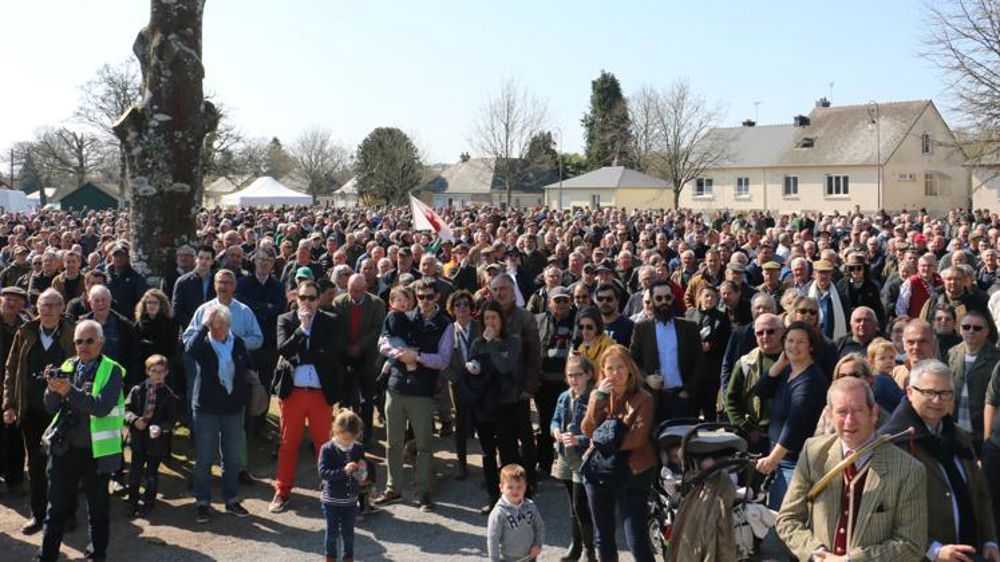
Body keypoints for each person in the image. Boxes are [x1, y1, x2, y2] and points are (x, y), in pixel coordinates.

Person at [775, 377, 927, 561]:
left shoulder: (908, 469)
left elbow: (911, 544)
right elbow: (788, 518)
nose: (849, 421)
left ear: (874, 412)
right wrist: (816, 554)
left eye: (858, 410)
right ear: (829, 415)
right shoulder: (813, 452)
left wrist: (850, 561)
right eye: (842, 412)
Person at [881, 360, 999, 562]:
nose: (937, 401)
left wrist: (990, 540)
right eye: (929, 393)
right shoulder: (893, 444)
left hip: (970, 552)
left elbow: (980, 493)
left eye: (945, 394)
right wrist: (933, 551)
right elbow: (886, 516)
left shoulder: (958, 436)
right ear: (909, 392)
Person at [36, 320, 126, 562]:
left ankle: (97, 555)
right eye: (78, 341)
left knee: (98, 511)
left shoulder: (112, 369)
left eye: (89, 341)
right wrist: (51, 388)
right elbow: (51, 407)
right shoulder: (68, 365)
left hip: (96, 453)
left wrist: (69, 391)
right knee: (55, 509)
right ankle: (46, 556)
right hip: (64, 449)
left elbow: (101, 407)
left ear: (101, 342)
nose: (83, 346)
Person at [374, 278, 453, 511]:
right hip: (396, 387)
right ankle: (393, 488)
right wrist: (401, 354)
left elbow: (443, 359)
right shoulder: (403, 315)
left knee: (424, 445)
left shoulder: (445, 324)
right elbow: (383, 342)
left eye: (429, 296)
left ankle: (424, 491)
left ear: (437, 297)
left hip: (423, 391)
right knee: (393, 443)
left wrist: (417, 358)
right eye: (420, 296)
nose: (424, 301)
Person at [2, 288, 75, 534]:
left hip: (63, 410)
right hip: (31, 409)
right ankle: (38, 513)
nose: (47, 309)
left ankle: (65, 514)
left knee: (63, 464)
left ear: (62, 308)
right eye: (43, 304)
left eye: (53, 304)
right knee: (35, 464)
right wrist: (9, 404)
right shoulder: (25, 332)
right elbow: (11, 370)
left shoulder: (72, 333)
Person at [270, 280, 343, 513]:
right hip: (293, 394)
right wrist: (302, 330)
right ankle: (282, 492)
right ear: (296, 298)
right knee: (288, 444)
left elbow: (331, 354)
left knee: (324, 444)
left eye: (312, 298)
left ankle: (329, 488)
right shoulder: (286, 320)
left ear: (319, 298)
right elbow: (284, 350)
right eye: (303, 298)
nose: (308, 303)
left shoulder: (330, 321)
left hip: (321, 393)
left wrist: (302, 354)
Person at [582, 345, 657, 562]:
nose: (615, 373)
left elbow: (638, 438)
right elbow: (587, 429)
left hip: (633, 471)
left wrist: (602, 441)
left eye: (620, 367)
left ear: (630, 369)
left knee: (636, 541)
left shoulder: (644, 398)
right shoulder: (599, 395)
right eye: (609, 368)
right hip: (599, 471)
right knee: (603, 538)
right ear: (602, 371)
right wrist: (597, 399)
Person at [185, 304, 252, 523]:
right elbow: (190, 349)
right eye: (214, 326)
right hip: (206, 410)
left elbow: (245, 369)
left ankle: (231, 499)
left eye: (221, 326)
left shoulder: (238, 344)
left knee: (232, 459)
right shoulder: (203, 344)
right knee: (204, 460)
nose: (217, 330)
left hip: (232, 410)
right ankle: (202, 503)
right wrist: (204, 325)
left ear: (228, 326)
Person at [754, 321, 830, 510]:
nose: (793, 346)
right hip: (779, 457)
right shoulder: (788, 370)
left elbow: (795, 424)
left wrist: (773, 459)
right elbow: (761, 390)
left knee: (783, 520)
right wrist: (780, 364)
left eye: (800, 342)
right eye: (789, 341)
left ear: (811, 346)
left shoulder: (811, 380)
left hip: (793, 463)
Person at [457, 300, 522, 513]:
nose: (490, 323)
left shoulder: (512, 341)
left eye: (494, 318)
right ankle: (494, 497)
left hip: (505, 403)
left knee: (508, 450)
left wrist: (494, 344)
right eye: (486, 319)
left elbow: (505, 366)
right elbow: (472, 369)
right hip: (483, 405)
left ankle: (515, 496)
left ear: (502, 320)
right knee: (487, 453)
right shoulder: (477, 342)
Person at [630, 280, 702, 422]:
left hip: (681, 399)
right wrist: (646, 378)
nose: (664, 302)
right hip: (653, 399)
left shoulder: (689, 327)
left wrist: (688, 390)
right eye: (659, 298)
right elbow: (633, 360)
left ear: (673, 298)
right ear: (651, 300)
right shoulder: (641, 329)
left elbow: (699, 362)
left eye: (667, 298)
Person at [332, 274, 386, 450]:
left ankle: (367, 435)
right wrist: (347, 347)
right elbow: (337, 326)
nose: (352, 294)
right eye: (350, 290)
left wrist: (360, 346)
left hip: (367, 357)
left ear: (365, 289)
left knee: (366, 399)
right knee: (345, 398)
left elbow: (377, 329)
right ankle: (343, 435)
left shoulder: (377, 304)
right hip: (345, 356)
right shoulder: (339, 302)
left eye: (356, 291)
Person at [550, 354, 596, 562]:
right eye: (570, 375)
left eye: (578, 374)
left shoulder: (594, 398)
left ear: (588, 375)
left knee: (580, 504)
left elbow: (599, 432)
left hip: (582, 457)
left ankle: (589, 551)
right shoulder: (563, 397)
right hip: (563, 456)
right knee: (572, 505)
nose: (574, 379)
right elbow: (554, 421)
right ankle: (575, 547)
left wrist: (578, 439)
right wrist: (556, 431)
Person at [124, 354, 179, 517]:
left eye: (161, 372)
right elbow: (125, 410)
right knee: (135, 472)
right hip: (138, 439)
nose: (157, 375)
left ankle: (149, 502)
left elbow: (172, 420)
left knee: (152, 474)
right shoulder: (137, 390)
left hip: (156, 442)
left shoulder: (169, 395)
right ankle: (132, 501)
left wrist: (161, 428)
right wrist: (134, 420)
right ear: (147, 371)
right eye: (154, 371)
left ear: (166, 373)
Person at [725, 313, 784, 455]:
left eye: (770, 331)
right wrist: (747, 428)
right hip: (758, 437)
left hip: (788, 433)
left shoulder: (796, 359)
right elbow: (731, 400)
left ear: (782, 332)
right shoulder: (745, 364)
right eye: (760, 333)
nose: (765, 336)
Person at [535, 286, 575, 479]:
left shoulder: (577, 322)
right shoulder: (539, 320)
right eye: (557, 300)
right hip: (543, 383)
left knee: (567, 424)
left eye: (564, 300)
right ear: (549, 302)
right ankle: (544, 464)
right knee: (545, 424)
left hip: (567, 383)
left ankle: (567, 464)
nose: (561, 304)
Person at [947, 309, 1000, 452]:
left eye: (977, 328)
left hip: (984, 434)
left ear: (987, 332)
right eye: (966, 327)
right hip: (956, 431)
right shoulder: (952, 354)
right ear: (960, 328)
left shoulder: (996, 359)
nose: (971, 331)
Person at [318, 410, 367, 562]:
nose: (347, 443)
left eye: (351, 439)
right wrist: (344, 471)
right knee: (332, 534)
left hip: (351, 502)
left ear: (356, 435)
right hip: (331, 501)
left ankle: (348, 558)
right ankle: (330, 558)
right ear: (335, 431)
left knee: (349, 535)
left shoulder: (357, 448)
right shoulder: (327, 449)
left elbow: (363, 471)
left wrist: (361, 472)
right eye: (344, 439)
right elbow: (324, 473)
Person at [442, 290, 480, 480]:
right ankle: (462, 464)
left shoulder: (479, 328)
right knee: (461, 424)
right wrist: (456, 379)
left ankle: (491, 464)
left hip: (480, 382)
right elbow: (444, 361)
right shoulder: (449, 331)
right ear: (452, 308)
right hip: (458, 384)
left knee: (485, 423)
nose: (462, 308)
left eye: (466, 304)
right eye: (458, 305)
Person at [685, 284, 731, 420]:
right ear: (699, 297)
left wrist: (711, 346)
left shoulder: (722, 317)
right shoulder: (690, 314)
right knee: (692, 406)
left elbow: (726, 341)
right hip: (692, 368)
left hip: (712, 367)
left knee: (709, 404)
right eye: (707, 296)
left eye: (713, 296)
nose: (710, 299)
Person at [0, 286, 28, 496]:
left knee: (15, 436)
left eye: (16, 300)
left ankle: (15, 478)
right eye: (7, 299)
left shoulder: (26, 327)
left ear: (22, 305)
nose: (11, 303)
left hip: (16, 388)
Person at [486, 463, 545, 562]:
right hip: (507, 559)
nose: (515, 491)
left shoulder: (530, 506)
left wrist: (538, 544)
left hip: (530, 557)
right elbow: (493, 539)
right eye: (510, 487)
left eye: (519, 487)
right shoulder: (499, 512)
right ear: (501, 487)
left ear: (525, 487)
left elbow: (540, 526)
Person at [865, 338, 905, 414]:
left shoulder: (883, 378)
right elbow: (899, 399)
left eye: (891, 357)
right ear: (871, 362)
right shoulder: (882, 380)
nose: (888, 361)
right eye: (882, 358)